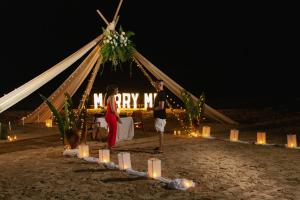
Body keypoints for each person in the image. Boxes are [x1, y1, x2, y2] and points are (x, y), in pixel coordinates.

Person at [104, 84, 122, 150]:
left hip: (110, 116)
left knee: (112, 131)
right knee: (113, 131)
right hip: (111, 116)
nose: (118, 91)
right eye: (117, 90)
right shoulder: (112, 97)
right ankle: (110, 147)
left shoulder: (109, 96)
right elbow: (113, 109)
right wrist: (118, 117)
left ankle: (109, 146)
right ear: (113, 90)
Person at [153, 80, 167, 153]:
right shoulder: (160, 93)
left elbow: (161, 107)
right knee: (160, 131)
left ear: (159, 85)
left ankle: (161, 148)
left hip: (161, 116)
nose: (155, 86)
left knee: (160, 131)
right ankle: (160, 146)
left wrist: (152, 108)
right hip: (159, 116)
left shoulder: (161, 94)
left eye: (156, 84)